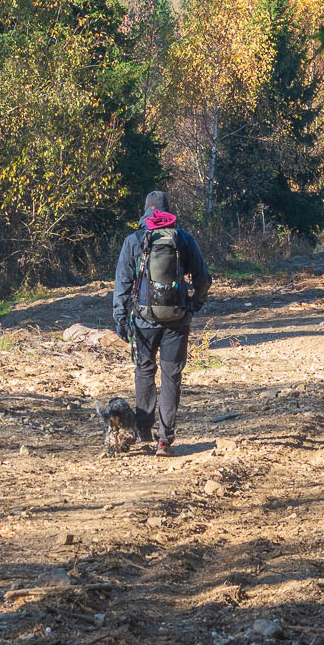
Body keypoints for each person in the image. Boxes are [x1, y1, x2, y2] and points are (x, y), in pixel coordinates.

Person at [111, 190, 211, 456]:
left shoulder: (134, 240)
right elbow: (203, 278)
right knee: (171, 377)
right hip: (177, 319)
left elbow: (122, 283)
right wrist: (194, 304)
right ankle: (165, 440)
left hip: (143, 321)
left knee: (144, 371)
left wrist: (121, 318)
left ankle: (144, 430)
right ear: (168, 210)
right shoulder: (183, 239)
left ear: (145, 211)